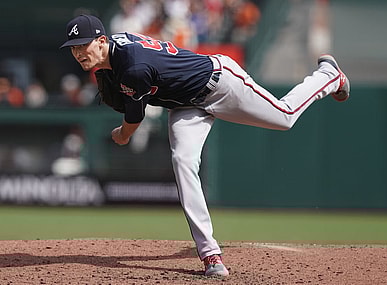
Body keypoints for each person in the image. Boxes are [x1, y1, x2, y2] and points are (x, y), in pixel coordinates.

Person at [60, 14, 350, 277]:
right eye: (73, 48)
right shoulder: (116, 49)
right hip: (186, 106)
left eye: (82, 45)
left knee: (285, 117)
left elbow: (134, 117)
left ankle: (328, 75)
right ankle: (210, 254)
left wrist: (123, 135)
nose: (77, 53)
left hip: (220, 82)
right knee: (183, 162)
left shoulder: (132, 67)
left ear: (101, 41)